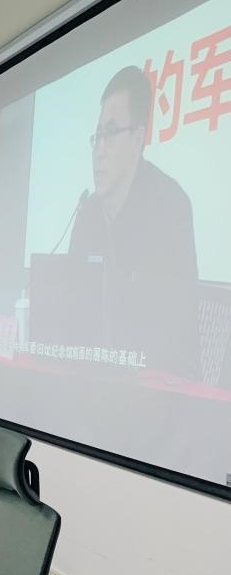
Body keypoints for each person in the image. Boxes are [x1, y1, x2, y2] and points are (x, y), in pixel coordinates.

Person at [68, 65, 199, 378]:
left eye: (110, 134)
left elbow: (176, 326)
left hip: (152, 384)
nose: (99, 151)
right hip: (89, 377)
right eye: (97, 136)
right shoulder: (87, 212)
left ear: (138, 138)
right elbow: (71, 303)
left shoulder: (170, 206)